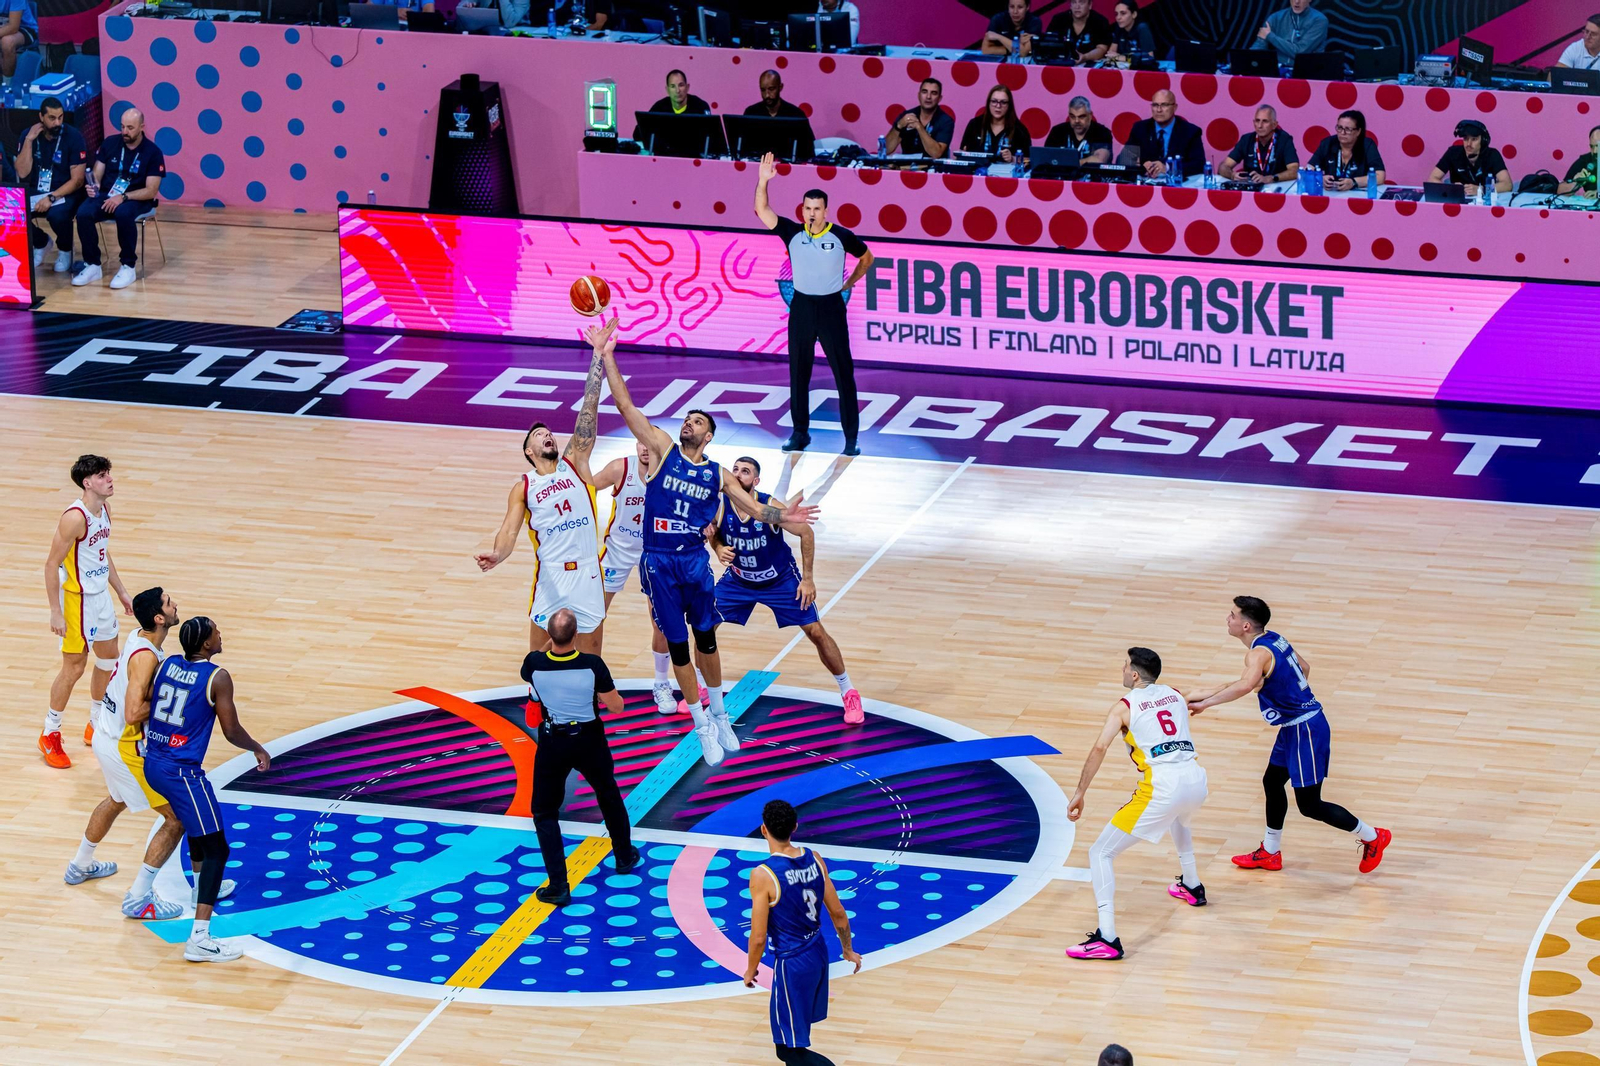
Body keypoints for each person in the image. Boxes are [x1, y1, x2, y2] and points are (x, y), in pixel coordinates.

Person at [594, 321, 820, 766]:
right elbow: (624, 405)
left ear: (709, 436)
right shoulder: (661, 450)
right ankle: (700, 725)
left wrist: (783, 517)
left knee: (708, 642)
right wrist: (606, 356)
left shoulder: (717, 474)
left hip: (695, 562)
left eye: (696, 421)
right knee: (677, 644)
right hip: (658, 562)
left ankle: (720, 715)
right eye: (686, 419)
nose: (687, 423)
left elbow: (755, 510)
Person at [1186, 596, 1391, 873]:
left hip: (1305, 729)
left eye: (1232, 615)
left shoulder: (1256, 654)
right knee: (1272, 782)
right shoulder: (1275, 639)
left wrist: (1207, 704)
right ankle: (1270, 852)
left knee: (1310, 805)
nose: (1228, 619)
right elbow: (1304, 668)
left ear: (1246, 625)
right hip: (1294, 727)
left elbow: (1246, 686)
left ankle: (1373, 836)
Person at [475, 320, 612, 653]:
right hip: (551, 575)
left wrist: (598, 356)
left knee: (592, 656)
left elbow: (589, 409)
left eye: (548, 432)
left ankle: (587, 702)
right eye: (539, 435)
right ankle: (536, 702)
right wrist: (499, 554)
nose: (547, 435)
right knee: (538, 656)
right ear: (528, 451)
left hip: (588, 573)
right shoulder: (524, 486)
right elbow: (508, 532)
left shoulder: (575, 464)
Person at [1065, 648, 1209, 962]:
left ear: (1133, 674)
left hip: (1163, 787)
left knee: (1100, 852)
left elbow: (1099, 748)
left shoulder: (1123, 708)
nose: (1121, 668)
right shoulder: (1173, 693)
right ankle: (1193, 885)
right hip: (1197, 781)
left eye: (1124, 664)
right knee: (1179, 819)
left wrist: (1080, 792)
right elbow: (1204, 693)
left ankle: (1107, 938)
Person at [142, 616, 271, 962]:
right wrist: (257, 747)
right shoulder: (218, 677)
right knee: (217, 849)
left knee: (200, 829)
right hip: (180, 771)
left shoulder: (168, 663)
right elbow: (231, 730)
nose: (220, 635)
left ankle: (201, 889)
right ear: (205, 644)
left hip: (154, 761)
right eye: (216, 632)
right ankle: (200, 938)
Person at [65, 585, 189, 922]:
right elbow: (134, 712)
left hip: (108, 735)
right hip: (124, 743)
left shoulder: (139, 636)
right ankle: (139, 897)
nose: (175, 603)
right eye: (168, 602)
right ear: (159, 618)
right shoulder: (147, 655)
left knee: (116, 799)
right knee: (178, 817)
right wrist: (176, 704)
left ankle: (80, 864)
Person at [711, 456, 863, 724]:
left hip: (779, 580)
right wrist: (718, 547)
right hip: (738, 580)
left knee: (815, 631)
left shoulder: (769, 506)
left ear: (755, 481)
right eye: (734, 469)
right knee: (704, 625)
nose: (737, 474)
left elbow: (806, 533)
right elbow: (714, 533)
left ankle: (848, 689)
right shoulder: (720, 504)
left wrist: (808, 579)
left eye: (745, 471)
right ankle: (704, 689)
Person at [519, 607, 640, 906]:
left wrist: (551, 642)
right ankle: (623, 855)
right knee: (608, 794)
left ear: (550, 635)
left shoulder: (533, 664)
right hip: (589, 740)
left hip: (552, 742)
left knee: (545, 813)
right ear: (576, 635)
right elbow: (617, 708)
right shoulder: (593, 665)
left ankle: (558, 886)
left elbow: (539, 657)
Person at [754, 153, 873, 456]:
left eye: (816, 209)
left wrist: (849, 283)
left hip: (832, 309)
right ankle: (799, 433)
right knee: (799, 373)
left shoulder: (841, 235)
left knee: (843, 373)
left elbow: (867, 257)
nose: (811, 213)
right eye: (807, 208)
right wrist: (763, 180)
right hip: (802, 307)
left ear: (825, 211)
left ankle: (850, 438)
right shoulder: (792, 232)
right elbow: (762, 209)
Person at [591, 439, 708, 714]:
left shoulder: (672, 476)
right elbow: (585, 490)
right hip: (617, 551)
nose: (645, 449)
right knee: (593, 616)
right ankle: (591, 682)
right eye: (640, 444)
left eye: (650, 445)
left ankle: (661, 683)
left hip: (654, 552)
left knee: (661, 623)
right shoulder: (621, 468)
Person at [743, 798, 862, 1066]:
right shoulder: (815, 859)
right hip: (818, 951)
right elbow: (838, 913)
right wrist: (847, 949)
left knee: (788, 1049)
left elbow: (759, 936)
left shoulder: (763, 875)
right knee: (792, 1042)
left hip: (792, 963)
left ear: (764, 830)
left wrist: (751, 969)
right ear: (795, 827)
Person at [41, 454, 133, 770]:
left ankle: (96, 722)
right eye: (103, 475)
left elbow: (101, 555)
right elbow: (51, 564)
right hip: (76, 601)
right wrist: (55, 611)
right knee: (75, 667)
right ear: (87, 482)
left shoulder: (105, 510)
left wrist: (121, 592)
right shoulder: (74, 517)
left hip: (100, 598)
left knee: (109, 659)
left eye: (109, 473)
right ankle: (50, 733)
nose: (110, 478)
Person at [73, 107, 165, 292]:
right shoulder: (110, 143)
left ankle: (128, 266)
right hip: (108, 195)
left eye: (130, 128)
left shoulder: (153, 152)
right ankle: (92, 264)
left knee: (123, 213)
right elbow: (97, 172)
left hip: (136, 198)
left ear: (142, 127)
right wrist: (94, 186)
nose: (125, 132)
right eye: (122, 126)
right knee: (83, 213)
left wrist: (123, 197)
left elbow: (151, 190)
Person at [15, 96, 88, 275]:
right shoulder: (28, 135)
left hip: (66, 192)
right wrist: (29, 141)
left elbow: (77, 180)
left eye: (60, 117)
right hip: (37, 190)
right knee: (12, 211)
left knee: (57, 215)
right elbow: (22, 173)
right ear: (41, 117)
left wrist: (52, 197)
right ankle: (41, 242)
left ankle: (65, 250)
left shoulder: (73, 137)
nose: (57, 123)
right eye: (52, 118)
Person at [1128, 90, 1205, 179]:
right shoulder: (1140, 128)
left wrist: (1168, 168)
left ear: (1175, 107)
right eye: (1155, 105)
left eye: (1164, 105)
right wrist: (1141, 166)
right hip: (1146, 183)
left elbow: (1198, 165)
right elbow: (1125, 160)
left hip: (1178, 186)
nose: (1159, 110)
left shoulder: (1190, 131)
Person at [1307, 109, 1386, 192]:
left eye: (1348, 129)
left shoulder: (1367, 145)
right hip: (1331, 195)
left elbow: (1380, 176)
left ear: (1358, 131)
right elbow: (1308, 170)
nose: (1342, 132)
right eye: (1339, 128)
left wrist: (1354, 182)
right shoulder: (1327, 143)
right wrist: (1319, 178)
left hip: (1358, 197)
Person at [1429, 119, 1512, 198]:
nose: (1468, 144)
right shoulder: (1453, 153)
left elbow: (1507, 185)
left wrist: (1481, 190)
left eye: (1474, 139)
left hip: (1485, 202)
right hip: (1458, 202)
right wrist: (1452, 188)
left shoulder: (1492, 155)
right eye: (1466, 139)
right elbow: (1432, 179)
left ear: (1483, 141)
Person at [1219, 105, 1299, 184]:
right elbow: (1223, 166)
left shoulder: (1284, 140)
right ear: (1254, 123)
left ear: (1274, 124)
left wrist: (1271, 178)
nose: (1260, 126)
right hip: (1252, 189)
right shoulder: (1246, 140)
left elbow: (1295, 170)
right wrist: (1232, 175)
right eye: (1257, 121)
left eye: (1265, 121)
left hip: (1277, 188)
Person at [959, 84, 1032, 165]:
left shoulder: (1020, 129)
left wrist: (1012, 158)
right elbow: (962, 155)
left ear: (1009, 105)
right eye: (994, 101)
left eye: (1003, 102)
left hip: (1007, 175)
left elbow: (1028, 161)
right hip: (977, 173)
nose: (998, 106)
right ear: (988, 103)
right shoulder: (975, 124)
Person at [885, 77, 954, 159]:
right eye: (924, 92)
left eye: (934, 93)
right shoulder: (906, 116)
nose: (928, 96)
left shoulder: (946, 121)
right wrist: (898, 126)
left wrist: (919, 127)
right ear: (918, 95)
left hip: (933, 169)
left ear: (939, 98)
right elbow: (886, 150)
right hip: (906, 168)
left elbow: (936, 153)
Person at [1250, 0, 1328, 67]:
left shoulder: (1319, 20)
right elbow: (1259, 46)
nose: (1297, 2)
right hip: (1277, 70)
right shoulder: (1276, 17)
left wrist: (1270, 36)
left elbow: (1300, 53)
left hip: (1306, 72)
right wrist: (1248, 60)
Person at [1044, 96, 1113, 164]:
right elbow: (1045, 158)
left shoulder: (1102, 132)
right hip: (1061, 175)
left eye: (1081, 116)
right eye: (1072, 116)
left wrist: (1066, 163)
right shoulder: (1057, 131)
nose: (1076, 121)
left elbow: (1100, 160)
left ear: (1090, 116)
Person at [1048, 0, 1112, 64]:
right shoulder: (1058, 19)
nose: (1077, 6)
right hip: (1060, 63)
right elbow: (1048, 43)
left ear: (1090, 5)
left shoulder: (1100, 21)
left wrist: (1085, 57)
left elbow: (1102, 49)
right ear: (1070, 6)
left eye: (1081, 2)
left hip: (1089, 65)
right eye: (1074, 2)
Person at [0, 0, 37, 93]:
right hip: (2, 30)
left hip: (25, 29)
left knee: (7, 42)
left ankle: (7, 87)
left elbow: (13, 27)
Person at [1559, 125, 1600, 196]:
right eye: (1592, 147)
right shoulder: (1585, 161)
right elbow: (1560, 190)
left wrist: (1598, 194)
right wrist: (1576, 183)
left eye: (1598, 146)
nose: (1595, 151)